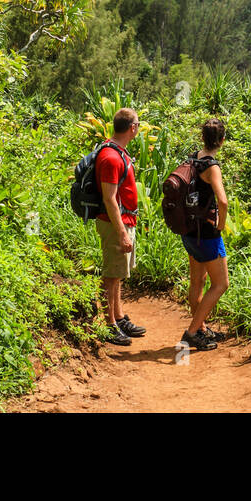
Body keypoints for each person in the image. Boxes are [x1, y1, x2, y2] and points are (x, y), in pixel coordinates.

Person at [96, 107, 146, 346]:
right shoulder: (111, 157)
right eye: (138, 124)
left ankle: (119, 316)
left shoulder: (119, 152)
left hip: (125, 222)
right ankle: (110, 325)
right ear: (132, 128)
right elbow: (109, 199)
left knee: (118, 274)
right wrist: (122, 234)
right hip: (115, 224)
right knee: (111, 274)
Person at [181, 118, 230, 352]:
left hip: (189, 230)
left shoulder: (192, 158)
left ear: (202, 138)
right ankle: (191, 332)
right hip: (207, 234)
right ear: (221, 140)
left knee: (197, 281)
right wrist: (221, 226)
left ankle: (200, 328)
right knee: (221, 284)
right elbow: (223, 200)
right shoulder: (212, 166)